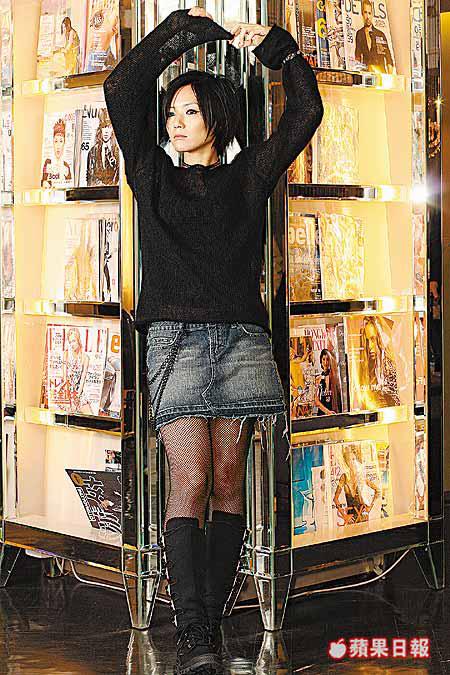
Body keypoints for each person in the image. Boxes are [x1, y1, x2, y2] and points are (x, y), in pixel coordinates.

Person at [104, 7, 323, 674]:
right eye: (172, 111)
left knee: (229, 482)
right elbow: (121, 87)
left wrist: (281, 49)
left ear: (216, 120)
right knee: (192, 477)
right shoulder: (151, 173)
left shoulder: (247, 175)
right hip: (174, 344)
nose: (175, 122)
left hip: (239, 343)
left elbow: (305, 114)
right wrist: (183, 29)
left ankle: (213, 620)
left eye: (191, 111)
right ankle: (193, 631)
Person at [333, 444, 381, 525]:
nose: (352, 462)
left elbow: (378, 490)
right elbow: (335, 499)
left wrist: (369, 507)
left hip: (363, 516)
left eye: (353, 459)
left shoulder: (361, 476)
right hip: (350, 517)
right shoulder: (344, 477)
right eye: (349, 460)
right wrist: (344, 515)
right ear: (346, 462)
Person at [359, 316, 401, 409]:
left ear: (381, 338)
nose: (370, 346)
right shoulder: (369, 368)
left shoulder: (390, 366)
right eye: (367, 341)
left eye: (373, 339)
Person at [355, 0, 394, 74]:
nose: (368, 16)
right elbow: (358, 56)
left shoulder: (380, 34)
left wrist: (390, 77)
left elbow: (388, 59)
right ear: (362, 14)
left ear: (372, 14)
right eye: (365, 12)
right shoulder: (360, 34)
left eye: (369, 13)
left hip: (381, 75)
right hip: (367, 75)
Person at [86, 109, 119, 186]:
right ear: (100, 129)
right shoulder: (93, 152)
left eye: (109, 127)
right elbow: (90, 177)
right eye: (104, 127)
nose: (106, 131)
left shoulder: (118, 152)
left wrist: (115, 166)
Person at [41, 118, 72, 188]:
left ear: (64, 143)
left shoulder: (66, 166)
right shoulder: (47, 163)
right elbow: (43, 182)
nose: (58, 146)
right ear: (53, 142)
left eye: (61, 141)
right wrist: (46, 182)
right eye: (56, 141)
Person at [314, 348, 341, 416]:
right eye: (323, 359)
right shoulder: (318, 379)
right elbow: (316, 401)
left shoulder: (335, 378)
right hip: (322, 413)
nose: (325, 362)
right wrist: (327, 412)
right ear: (321, 360)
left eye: (328, 359)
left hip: (334, 412)